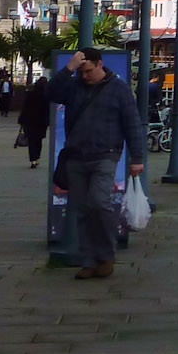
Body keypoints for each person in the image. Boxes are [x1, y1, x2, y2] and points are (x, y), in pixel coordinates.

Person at [56, 49, 148, 279]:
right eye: (80, 72)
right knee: (82, 210)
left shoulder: (119, 89)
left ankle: (106, 255)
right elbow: (50, 93)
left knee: (99, 203)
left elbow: (133, 123)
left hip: (105, 155)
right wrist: (69, 68)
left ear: (100, 65)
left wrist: (137, 158)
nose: (84, 76)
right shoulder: (75, 86)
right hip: (76, 156)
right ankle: (88, 260)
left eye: (87, 71)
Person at [19, 73, 52, 169]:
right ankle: (36, 157)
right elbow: (48, 110)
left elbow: (25, 108)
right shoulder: (46, 96)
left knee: (31, 141)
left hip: (29, 121)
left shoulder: (30, 94)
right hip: (41, 122)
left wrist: (21, 119)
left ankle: (33, 159)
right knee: (38, 140)